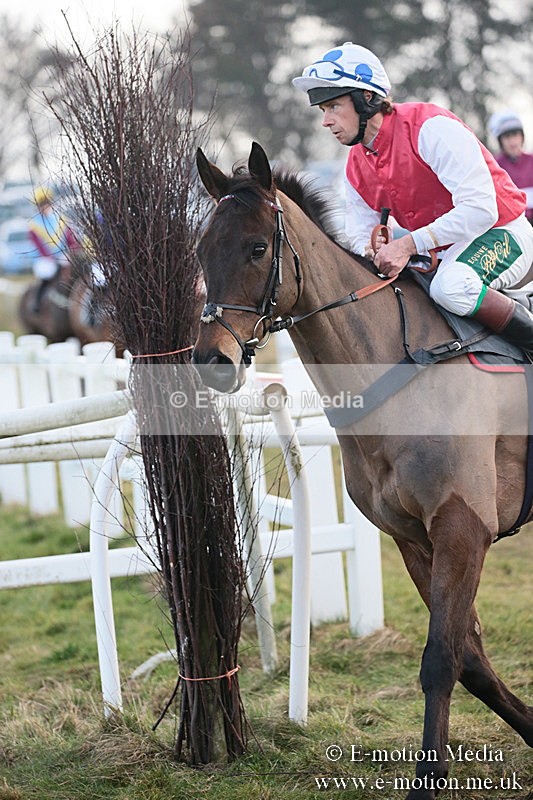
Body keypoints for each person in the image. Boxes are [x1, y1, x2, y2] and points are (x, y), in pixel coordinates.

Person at [292, 43, 533, 350]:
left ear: (365, 98)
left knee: (451, 288)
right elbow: (357, 237)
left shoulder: (431, 128)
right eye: (323, 111)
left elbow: (480, 210)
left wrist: (406, 244)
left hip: (502, 231)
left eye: (333, 106)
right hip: (442, 253)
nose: (325, 121)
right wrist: (373, 251)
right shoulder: (354, 166)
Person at [28, 185, 79, 313]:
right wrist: (50, 257)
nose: (45, 207)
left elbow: (71, 240)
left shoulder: (62, 220)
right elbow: (39, 246)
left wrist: (74, 249)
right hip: (44, 258)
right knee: (48, 272)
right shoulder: (34, 224)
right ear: (38, 206)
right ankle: (37, 301)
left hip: (62, 255)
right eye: (42, 204)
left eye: (47, 203)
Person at [488, 110, 533, 225]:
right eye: (507, 137)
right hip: (512, 226)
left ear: (522, 137)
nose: (513, 142)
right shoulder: (494, 166)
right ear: (500, 141)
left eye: (515, 135)